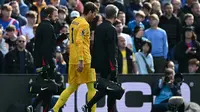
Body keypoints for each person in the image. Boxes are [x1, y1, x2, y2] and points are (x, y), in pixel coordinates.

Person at [50, 2, 98, 112]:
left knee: (72, 86)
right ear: (89, 12)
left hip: (73, 59)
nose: (94, 16)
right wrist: (81, 60)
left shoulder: (74, 22)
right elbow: (79, 42)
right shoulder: (84, 24)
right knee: (91, 87)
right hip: (84, 60)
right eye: (94, 14)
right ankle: (93, 111)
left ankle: (55, 109)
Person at [82, 4, 119, 112]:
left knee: (107, 88)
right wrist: (113, 67)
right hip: (109, 64)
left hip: (100, 64)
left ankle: (93, 106)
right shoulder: (111, 29)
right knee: (109, 88)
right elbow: (111, 50)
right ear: (115, 15)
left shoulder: (98, 28)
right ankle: (89, 105)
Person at [26, 5, 59, 112]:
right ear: (49, 15)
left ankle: (34, 106)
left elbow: (49, 44)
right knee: (48, 88)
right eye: (55, 15)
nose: (57, 18)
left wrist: (61, 38)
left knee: (47, 88)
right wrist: (49, 64)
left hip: (43, 62)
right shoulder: (48, 27)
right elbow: (46, 48)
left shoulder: (42, 25)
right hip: (46, 63)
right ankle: (35, 106)